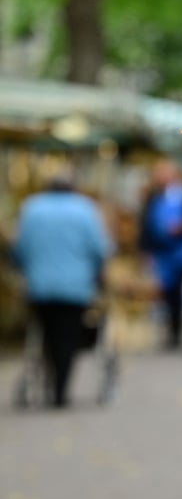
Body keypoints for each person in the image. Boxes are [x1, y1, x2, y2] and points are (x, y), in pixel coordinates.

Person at [12, 167, 112, 407]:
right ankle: (60, 389)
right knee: (67, 337)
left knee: (45, 333)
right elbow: (100, 249)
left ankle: (50, 380)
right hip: (75, 287)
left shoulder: (31, 208)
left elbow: (19, 249)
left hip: (39, 287)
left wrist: (28, 269)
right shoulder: (84, 209)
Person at [140, 157, 182, 349]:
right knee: (166, 291)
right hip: (161, 252)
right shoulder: (152, 196)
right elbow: (146, 225)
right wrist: (144, 249)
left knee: (179, 291)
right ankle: (170, 329)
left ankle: (177, 329)